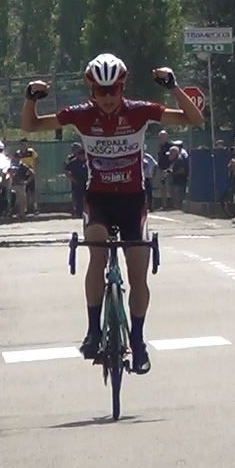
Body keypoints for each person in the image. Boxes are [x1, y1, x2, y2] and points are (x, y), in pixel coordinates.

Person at [21, 53, 204, 373]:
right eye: (100, 92)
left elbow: (194, 120)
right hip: (99, 201)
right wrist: (30, 99)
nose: (107, 98)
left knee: (137, 274)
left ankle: (137, 340)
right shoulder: (80, 115)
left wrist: (174, 87)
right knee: (97, 252)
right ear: (91, 90)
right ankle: (93, 330)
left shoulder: (140, 111)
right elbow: (31, 125)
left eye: (113, 90)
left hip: (133, 201)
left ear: (123, 87)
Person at [63, 143, 88, 218]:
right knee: (78, 198)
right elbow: (66, 169)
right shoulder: (72, 161)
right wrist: (72, 179)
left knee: (88, 198)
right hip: (78, 182)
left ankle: (87, 212)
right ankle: (78, 213)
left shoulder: (88, 161)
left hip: (87, 182)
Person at [18, 139, 39, 214]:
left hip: (30, 173)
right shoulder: (18, 153)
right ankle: (25, 209)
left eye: (25, 144)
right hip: (22, 174)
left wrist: (33, 168)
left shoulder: (31, 152)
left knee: (32, 192)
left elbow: (37, 159)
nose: (23, 146)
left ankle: (35, 208)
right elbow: (14, 160)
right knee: (24, 192)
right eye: (22, 144)